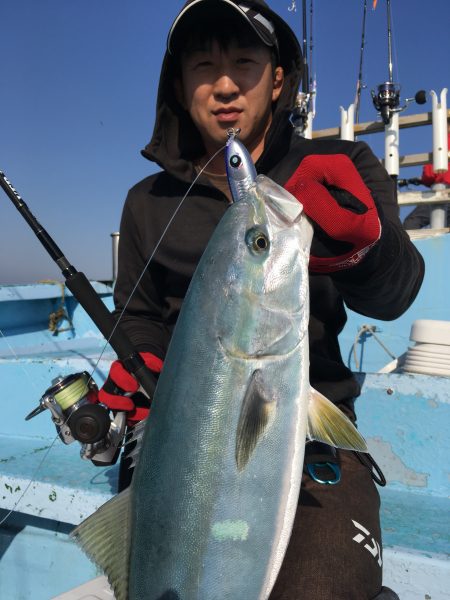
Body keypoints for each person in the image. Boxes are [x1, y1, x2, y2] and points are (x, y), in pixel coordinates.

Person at [98, 1, 424, 598]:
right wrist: (141, 359)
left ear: (278, 79)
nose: (224, 85)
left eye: (245, 62)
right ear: (178, 82)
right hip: (178, 436)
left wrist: (364, 249)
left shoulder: (340, 166)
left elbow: (397, 294)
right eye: (203, 65)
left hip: (315, 426)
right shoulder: (148, 201)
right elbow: (136, 314)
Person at [403, 125, 450, 229]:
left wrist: (423, 179)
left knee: (411, 223)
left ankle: (405, 245)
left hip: (444, 190)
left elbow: (430, 174)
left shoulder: (443, 142)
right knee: (446, 232)